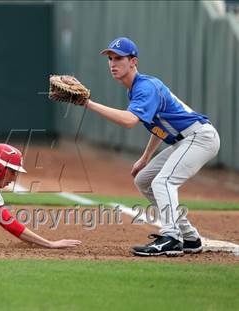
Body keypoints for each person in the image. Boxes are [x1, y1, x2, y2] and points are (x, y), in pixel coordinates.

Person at [82, 37, 220, 256]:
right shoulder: (137, 88)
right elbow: (158, 126)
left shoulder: (145, 88)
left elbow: (129, 121)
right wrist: (146, 157)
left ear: (133, 61)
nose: (112, 63)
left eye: (119, 58)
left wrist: (87, 104)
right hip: (187, 139)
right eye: (110, 58)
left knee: (163, 181)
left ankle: (172, 238)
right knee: (144, 179)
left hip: (200, 138)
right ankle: (190, 237)